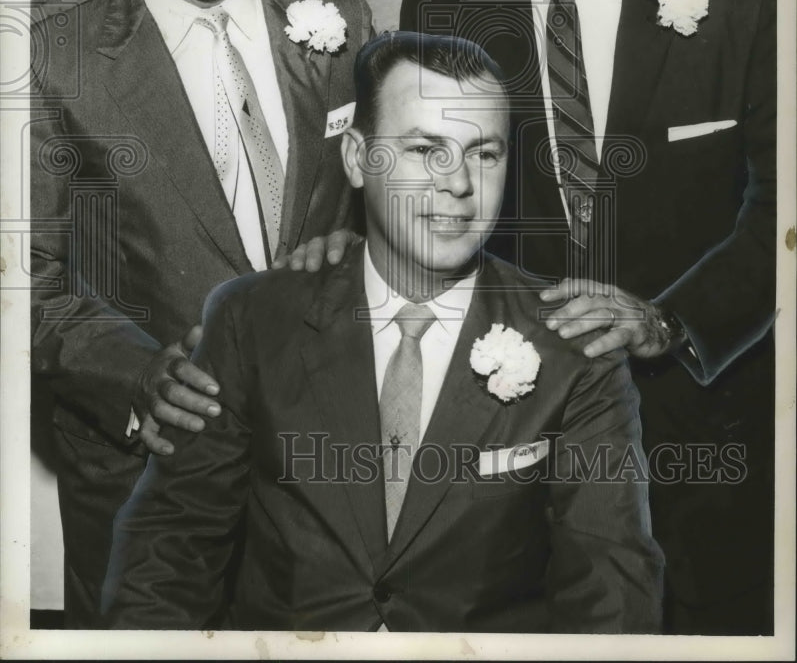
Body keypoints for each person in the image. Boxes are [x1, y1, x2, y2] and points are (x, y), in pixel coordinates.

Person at [400, 0, 775, 635]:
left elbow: (784, 209)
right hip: (506, 450)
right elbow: (425, 228)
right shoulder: (438, 9)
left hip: (702, 444)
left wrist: (666, 321)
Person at [101, 31, 664, 632]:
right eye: (425, 149)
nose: (458, 185)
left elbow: (613, 589)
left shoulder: (575, 345)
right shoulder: (252, 319)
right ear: (356, 158)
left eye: (484, 153)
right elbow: (169, 552)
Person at [29, 0, 372, 628]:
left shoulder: (342, 23)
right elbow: (26, 283)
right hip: (144, 487)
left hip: (329, 489)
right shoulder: (51, 60)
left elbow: (389, 222)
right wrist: (140, 374)